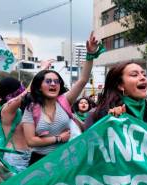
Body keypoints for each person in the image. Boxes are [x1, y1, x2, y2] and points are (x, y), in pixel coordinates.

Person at [22, 32, 99, 165]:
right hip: (40, 162)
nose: (53, 84)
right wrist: (58, 138)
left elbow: (83, 80)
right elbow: (31, 141)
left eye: (56, 81)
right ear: (39, 87)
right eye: (48, 81)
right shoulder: (31, 108)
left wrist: (90, 54)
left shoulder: (64, 101)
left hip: (64, 161)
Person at [85, 62, 147, 131]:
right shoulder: (101, 115)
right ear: (120, 85)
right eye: (134, 75)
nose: (143, 78)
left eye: (144, 74)